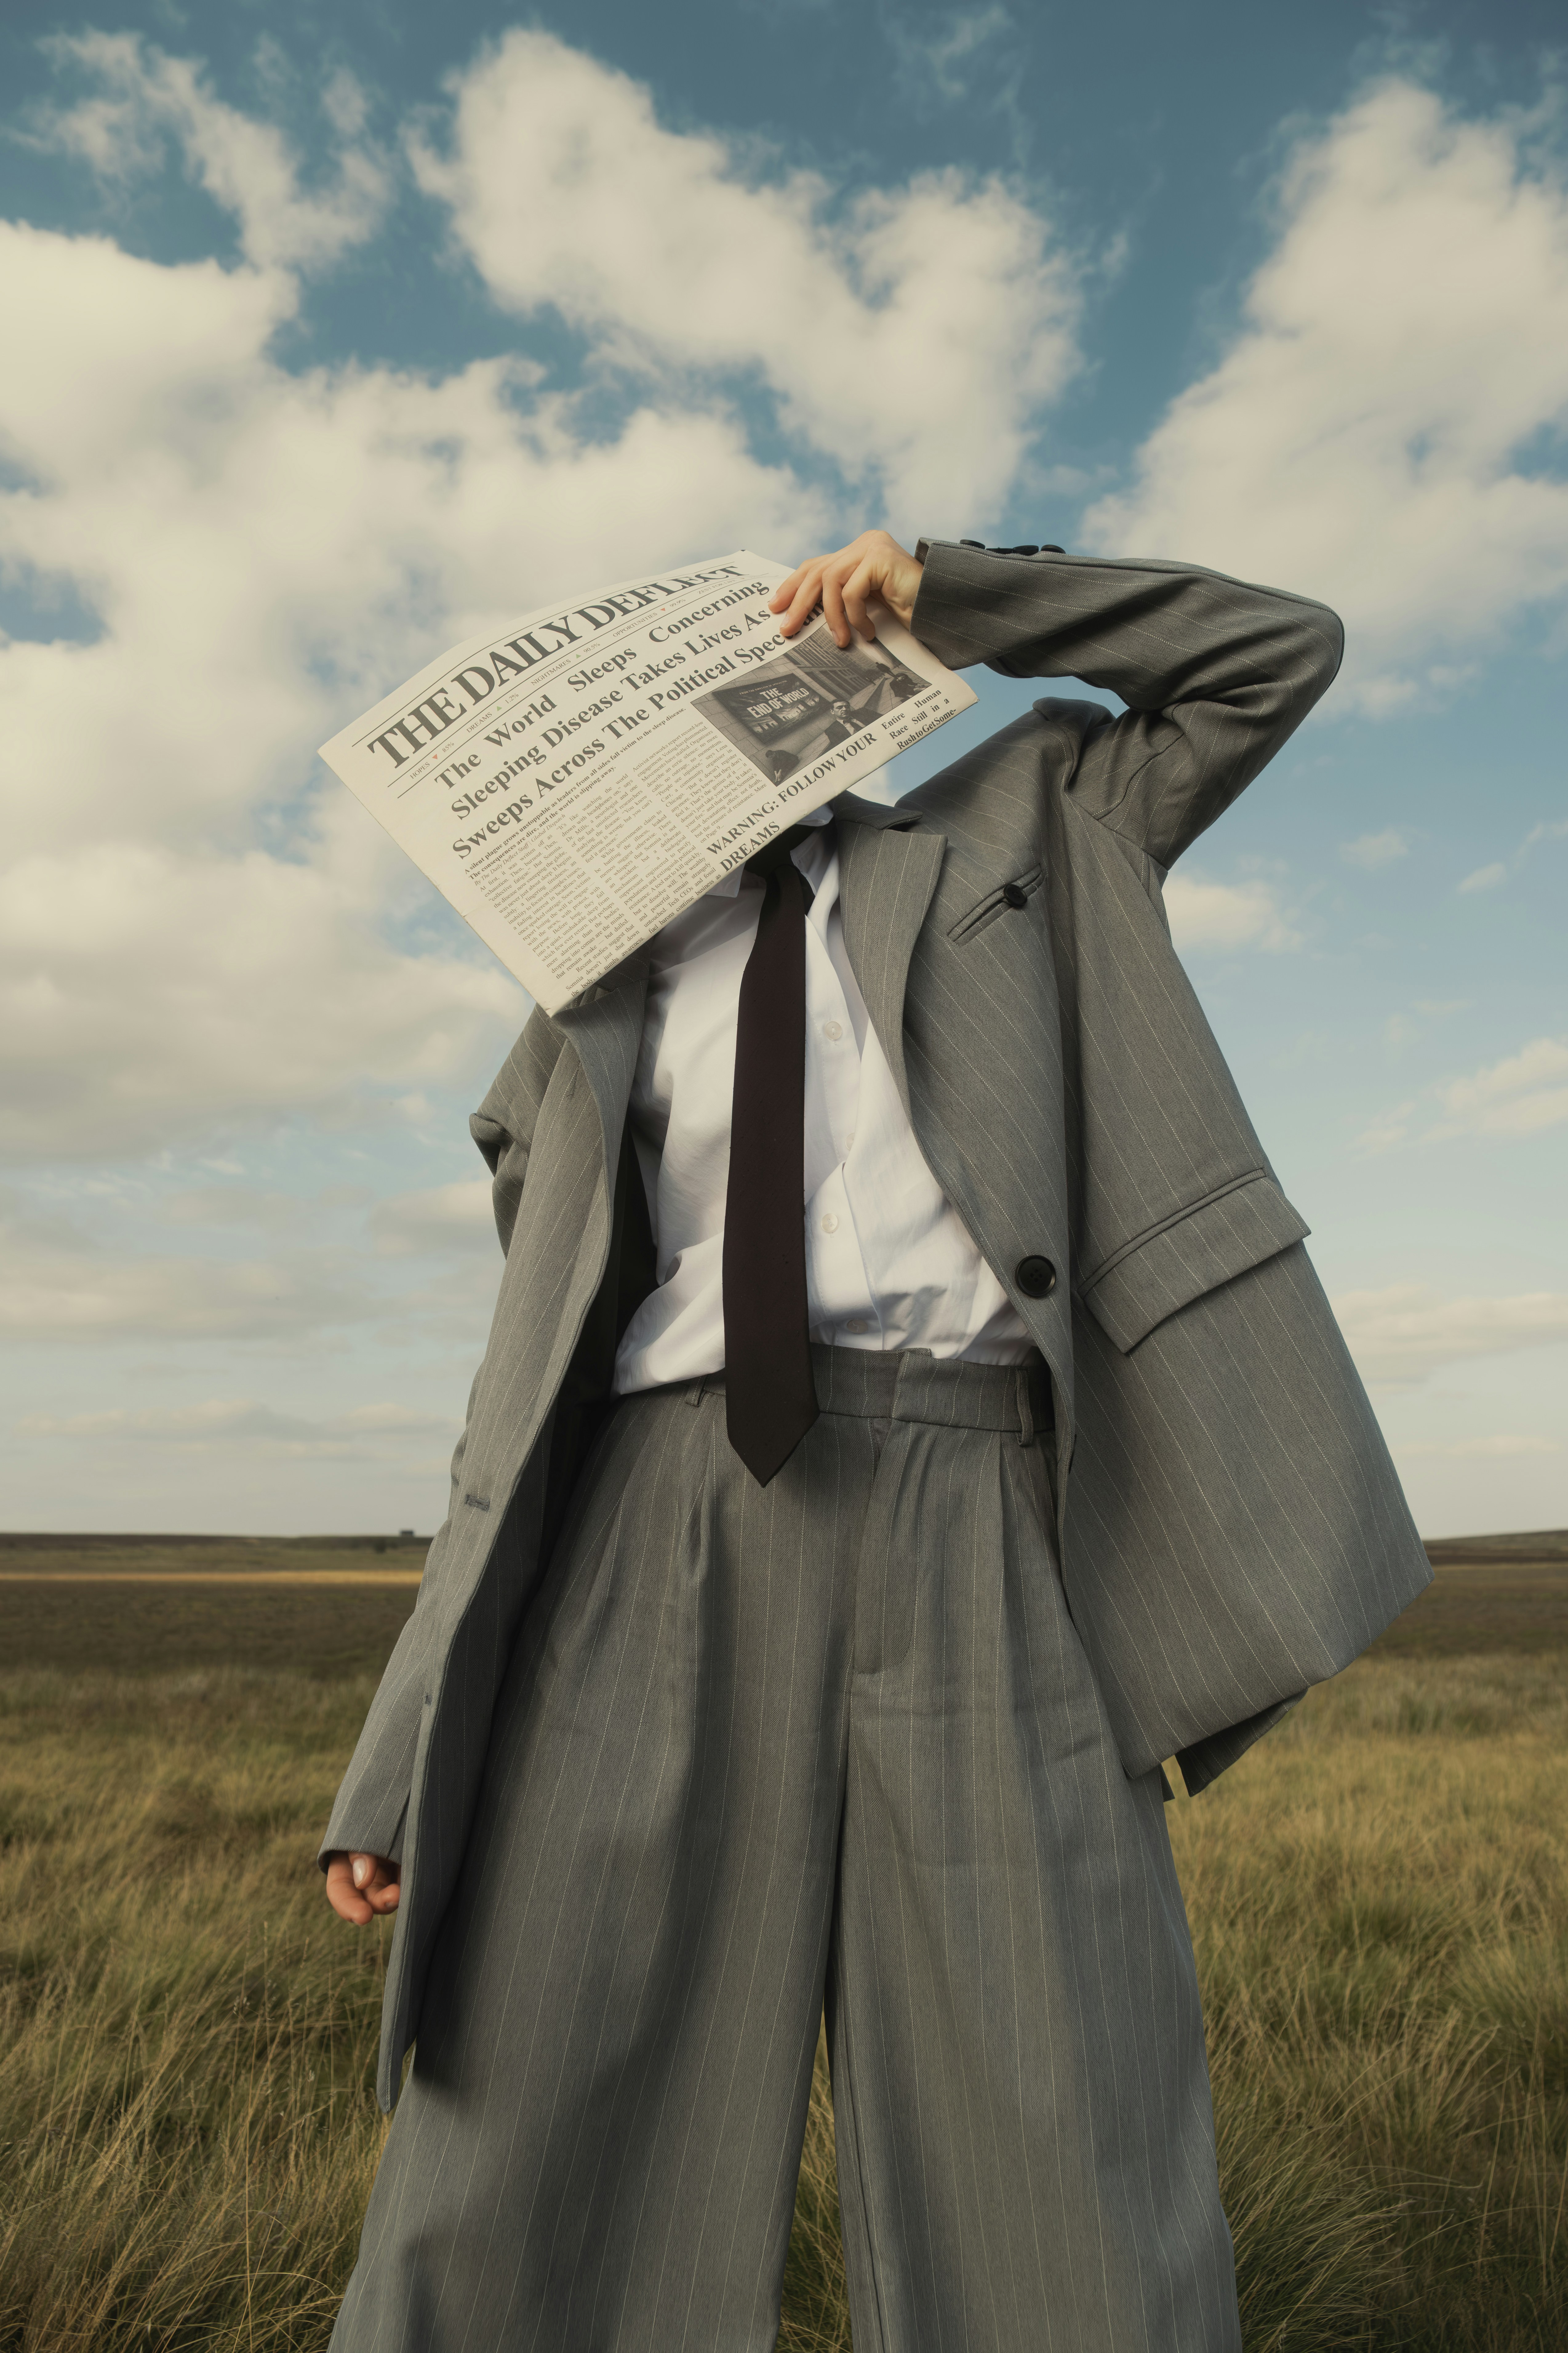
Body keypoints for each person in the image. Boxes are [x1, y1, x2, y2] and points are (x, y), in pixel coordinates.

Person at [320, 530, 1431, 2353]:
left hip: (988, 1514)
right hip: (645, 1535)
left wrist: (951, 592)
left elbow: (1269, 654)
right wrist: (400, 1751)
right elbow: (511, 1406)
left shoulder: (1027, 824)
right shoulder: (587, 990)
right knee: (532, 2133)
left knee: (1058, 2133)